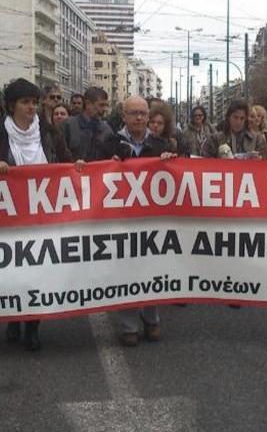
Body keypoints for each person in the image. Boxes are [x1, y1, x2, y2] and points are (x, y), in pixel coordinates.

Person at [0, 78, 73, 352]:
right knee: (13, 271)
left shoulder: (49, 133)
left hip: (43, 217)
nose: (31, 107)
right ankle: (13, 317)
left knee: (36, 272)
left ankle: (32, 325)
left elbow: (66, 161)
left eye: (34, 102)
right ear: (11, 106)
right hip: (9, 218)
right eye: (25, 102)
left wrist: (77, 166)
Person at [113, 96, 175, 346]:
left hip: (152, 218)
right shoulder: (110, 143)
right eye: (133, 113)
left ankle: (151, 319)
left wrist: (171, 162)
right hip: (121, 218)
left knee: (151, 267)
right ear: (124, 116)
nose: (139, 118)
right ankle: (129, 325)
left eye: (143, 113)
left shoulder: (161, 145)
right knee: (126, 270)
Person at [60, 86, 116, 162]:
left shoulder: (107, 131)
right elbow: (60, 155)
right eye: (101, 105)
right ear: (88, 104)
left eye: (105, 105)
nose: (104, 109)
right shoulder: (68, 126)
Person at [202, 99, 267, 159]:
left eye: (242, 118)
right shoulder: (215, 139)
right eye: (235, 117)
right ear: (229, 117)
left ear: (246, 119)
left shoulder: (257, 139)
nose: (238, 122)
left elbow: (266, 161)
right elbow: (205, 162)